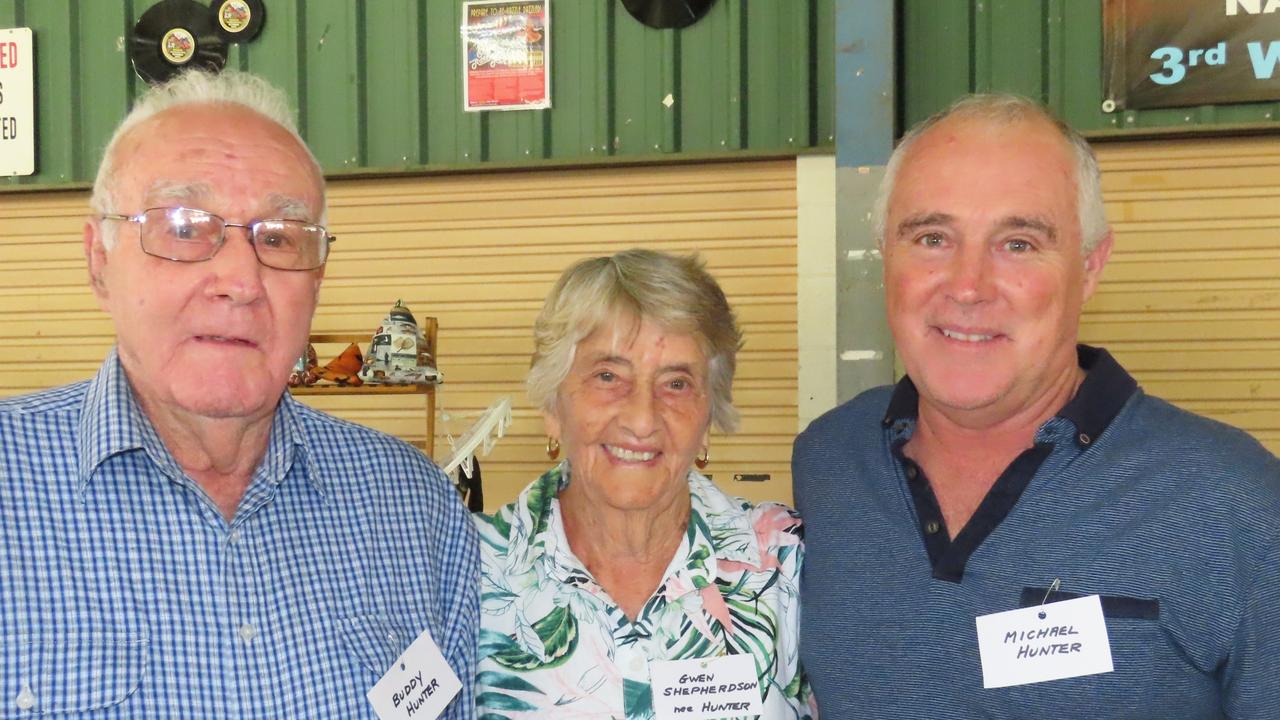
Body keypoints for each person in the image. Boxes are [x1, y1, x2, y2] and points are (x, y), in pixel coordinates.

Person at [0, 70, 477, 718]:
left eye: (279, 237)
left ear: (317, 278)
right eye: (185, 226)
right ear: (98, 259)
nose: (240, 279)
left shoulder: (416, 510)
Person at [794, 94, 1280, 718]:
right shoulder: (832, 462)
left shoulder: (1232, 497)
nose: (968, 286)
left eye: (1018, 243)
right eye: (933, 237)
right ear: (885, 255)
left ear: (1090, 266)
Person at [474, 249, 813, 719]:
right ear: (552, 407)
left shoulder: (789, 563)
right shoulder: (468, 569)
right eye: (608, 376)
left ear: (708, 415)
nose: (641, 419)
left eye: (675, 383)